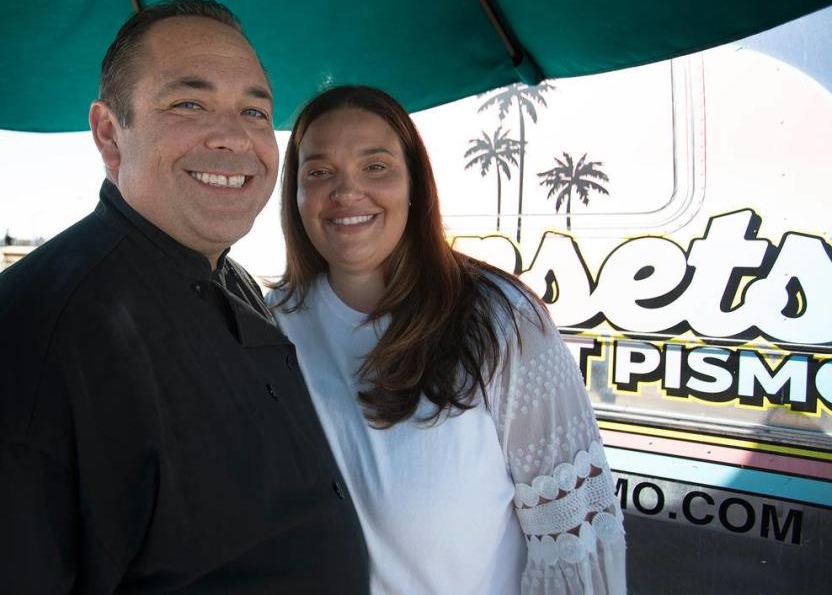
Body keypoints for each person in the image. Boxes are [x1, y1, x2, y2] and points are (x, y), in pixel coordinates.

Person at [0, 0, 368, 594]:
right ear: (110, 135)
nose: (236, 137)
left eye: (255, 111)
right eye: (189, 103)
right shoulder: (20, 351)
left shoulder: (230, 283)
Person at [267, 86, 627, 595]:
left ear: (415, 184)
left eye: (376, 166)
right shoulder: (273, 326)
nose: (346, 192)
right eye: (319, 171)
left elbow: (577, 542)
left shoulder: (501, 320)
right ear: (296, 196)